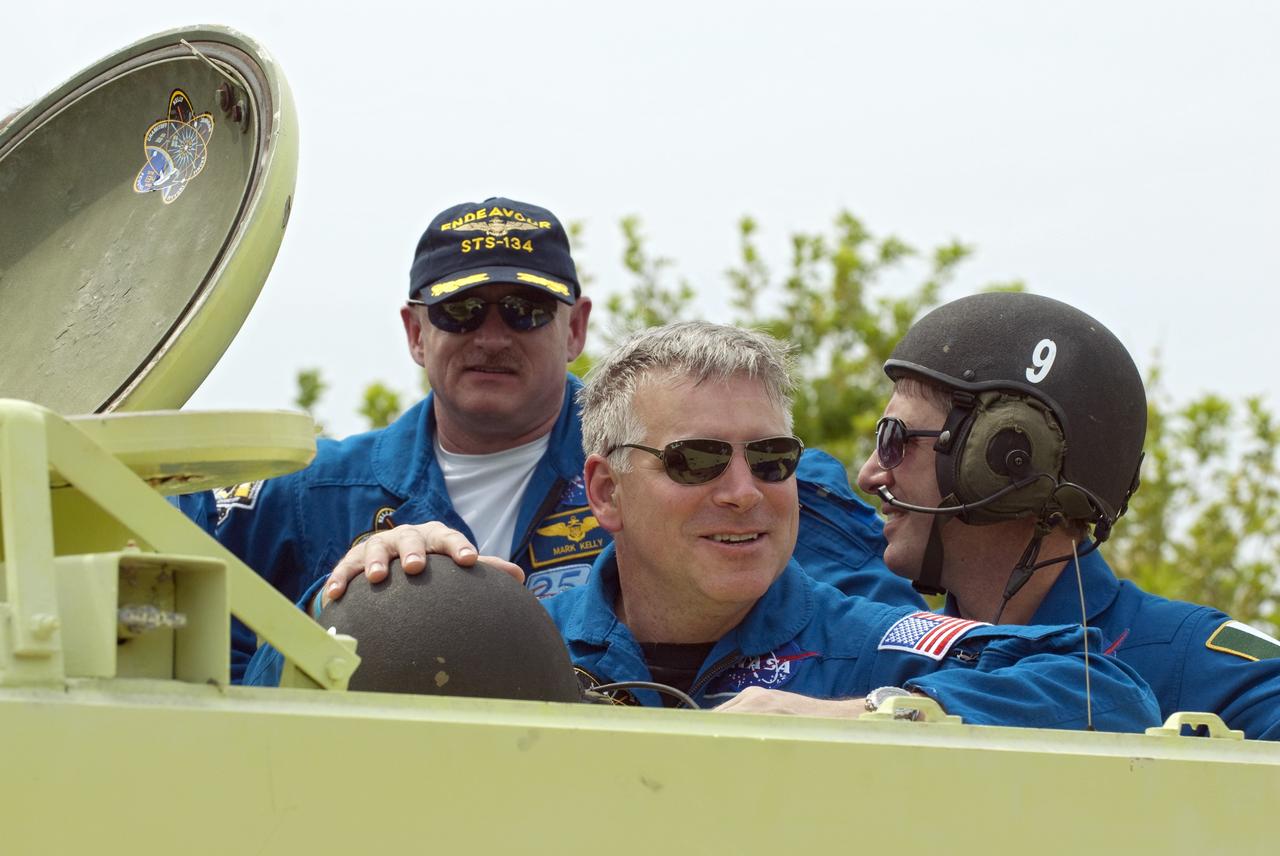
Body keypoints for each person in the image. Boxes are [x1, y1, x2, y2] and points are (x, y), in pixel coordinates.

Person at [192, 197, 920, 682]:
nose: (493, 336)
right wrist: (341, 603)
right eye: (462, 312)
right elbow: (181, 664)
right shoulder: (294, 497)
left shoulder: (755, 481)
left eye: (524, 309)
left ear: (575, 327)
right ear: (416, 332)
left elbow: (883, 637)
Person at [316, 320, 1154, 728]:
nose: (745, 492)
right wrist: (384, 600)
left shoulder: (867, 645)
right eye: (697, 461)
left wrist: (849, 718)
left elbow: (1104, 690)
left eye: (774, 460)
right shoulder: (530, 642)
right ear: (604, 492)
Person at [756, 291, 1280, 739]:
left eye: (896, 440)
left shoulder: (1190, 659)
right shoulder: (893, 655)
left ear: (1008, 457)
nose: (870, 474)